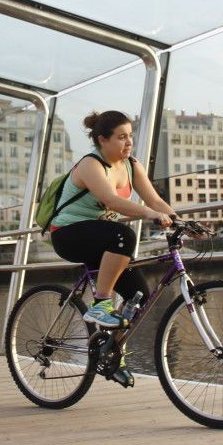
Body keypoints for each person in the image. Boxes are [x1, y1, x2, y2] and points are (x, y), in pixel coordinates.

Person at [46, 111, 177, 380]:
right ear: (102, 140)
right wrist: (150, 215)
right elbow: (111, 200)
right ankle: (101, 304)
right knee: (124, 235)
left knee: (139, 298)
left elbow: (154, 200)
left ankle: (113, 354)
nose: (128, 142)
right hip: (68, 234)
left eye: (130, 136)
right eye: (121, 137)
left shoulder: (132, 165)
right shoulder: (90, 165)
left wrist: (182, 222)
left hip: (100, 237)